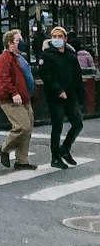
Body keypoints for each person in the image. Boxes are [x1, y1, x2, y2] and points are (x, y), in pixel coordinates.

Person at [42, 25, 85, 169]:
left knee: (78, 124)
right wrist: (58, 90)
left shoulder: (71, 55)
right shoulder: (47, 55)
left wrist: (80, 95)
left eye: (60, 37)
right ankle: (55, 157)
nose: (57, 39)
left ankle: (65, 148)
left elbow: (77, 75)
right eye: (54, 37)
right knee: (57, 126)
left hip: (71, 95)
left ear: (65, 39)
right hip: (56, 96)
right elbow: (46, 76)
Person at [0, 29, 37, 171]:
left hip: (25, 98)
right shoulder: (4, 58)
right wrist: (13, 92)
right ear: (10, 43)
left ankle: (22, 161)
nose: (22, 43)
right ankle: (4, 148)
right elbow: (3, 78)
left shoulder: (20, 57)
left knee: (28, 129)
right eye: (18, 41)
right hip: (11, 99)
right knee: (22, 127)